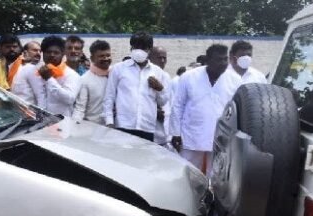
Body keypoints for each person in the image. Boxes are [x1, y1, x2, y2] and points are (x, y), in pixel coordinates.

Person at [171, 44, 241, 173]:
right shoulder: (189, 77)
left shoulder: (235, 80)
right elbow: (178, 106)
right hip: (191, 135)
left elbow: (237, 110)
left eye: (225, 59)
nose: (223, 63)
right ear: (208, 60)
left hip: (221, 137)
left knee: (216, 175)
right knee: (187, 172)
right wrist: (176, 133)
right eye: (218, 59)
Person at [103, 31, 170, 141]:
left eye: (143, 48)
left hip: (147, 127)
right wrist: (109, 121)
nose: (139, 51)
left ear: (149, 50)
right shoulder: (119, 69)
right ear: (131, 48)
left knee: (143, 153)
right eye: (136, 47)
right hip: (123, 125)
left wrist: (160, 89)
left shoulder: (157, 72)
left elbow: (162, 102)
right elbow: (109, 97)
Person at [31, 35, 80, 116]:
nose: (52, 55)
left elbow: (69, 99)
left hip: (62, 121)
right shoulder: (37, 72)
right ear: (43, 53)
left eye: (56, 52)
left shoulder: (71, 75)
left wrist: (49, 79)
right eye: (48, 52)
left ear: (63, 54)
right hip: (39, 120)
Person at [73, 40, 112, 124]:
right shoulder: (85, 79)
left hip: (116, 127)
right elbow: (80, 108)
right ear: (92, 58)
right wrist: (74, 126)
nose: (106, 59)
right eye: (101, 56)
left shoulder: (115, 74)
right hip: (93, 127)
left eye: (108, 55)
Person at [149, 46, 172, 146]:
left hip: (164, 132)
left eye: (164, 58)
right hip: (149, 130)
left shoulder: (167, 76)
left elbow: (169, 103)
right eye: (159, 57)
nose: (162, 61)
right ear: (150, 58)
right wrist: (154, 111)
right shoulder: (146, 75)